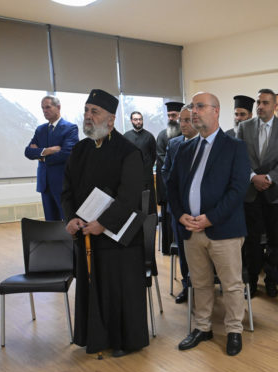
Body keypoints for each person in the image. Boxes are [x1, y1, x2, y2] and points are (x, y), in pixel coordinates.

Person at [62, 89, 148, 357]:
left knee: (117, 290)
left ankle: (122, 340)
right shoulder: (79, 149)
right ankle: (94, 337)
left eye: (94, 112)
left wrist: (103, 223)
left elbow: (129, 197)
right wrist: (70, 218)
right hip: (86, 234)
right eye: (86, 111)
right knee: (92, 287)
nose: (88, 116)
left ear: (110, 119)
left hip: (117, 238)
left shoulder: (128, 151)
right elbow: (67, 190)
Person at [168, 92, 250, 357]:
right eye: (193, 106)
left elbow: (238, 190)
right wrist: (180, 214)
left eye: (200, 106)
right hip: (191, 229)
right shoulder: (184, 149)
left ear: (216, 111)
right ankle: (203, 327)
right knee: (199, 282)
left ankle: (234, 330)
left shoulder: (235, 147)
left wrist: (211, 217)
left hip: (223, 230)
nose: (194, 111)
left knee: (231, 284)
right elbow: (172, 187)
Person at [237, 89, 278, 298]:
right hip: (251, 192)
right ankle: (252, 282)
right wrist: (253, 177)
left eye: (265, 103)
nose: (260, 106)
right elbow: (239, 157)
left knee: (274, 241)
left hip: (276, 192)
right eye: (258, 103)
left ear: (275, 106)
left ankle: (271, 280)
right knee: (251, 241)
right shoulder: (244, 127)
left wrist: (269, 178)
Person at [162, 105, 199, 303]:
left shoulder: (206, 145)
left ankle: (204, 287)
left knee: (202, 253)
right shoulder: (174, 144)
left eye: (187, 120)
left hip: (201, 211)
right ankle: (187, 286)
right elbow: (165, 171)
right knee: (184, 251)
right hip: (178, 209)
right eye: (181, 120)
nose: (182, 124)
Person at [24, 95, 78, 221]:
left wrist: (41, 156)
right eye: (42, 108)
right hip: (45, 184)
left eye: (47, 107)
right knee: (50, 223)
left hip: (62, 184)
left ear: (58, 107)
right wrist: (48, 150)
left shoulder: (70, 128)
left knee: (67, 221)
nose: (44, 111)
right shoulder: (40, 129)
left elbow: (66, 154)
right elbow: (28, 152)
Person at [156, 101, 183, 254]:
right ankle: (168, 249)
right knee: (168, 219)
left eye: (174, 115)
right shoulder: (162, 135)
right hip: (167, 185)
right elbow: (162, 159)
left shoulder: (186, 133)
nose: (171, 118)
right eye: (169, 115)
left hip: (184, 185)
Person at [123, 111, 157, 215]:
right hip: (131, 178)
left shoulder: (149, 136)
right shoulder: (126, 136)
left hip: (146, 177)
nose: (138, 121)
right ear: (131, 121)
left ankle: (151, 224)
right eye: (135, 119)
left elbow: (153, 155)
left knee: (148, 206)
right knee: (133, 207)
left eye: (140, 119)